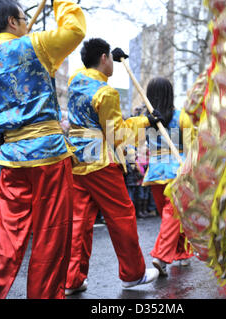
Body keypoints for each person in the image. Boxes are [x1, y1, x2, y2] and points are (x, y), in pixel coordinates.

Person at [0, 0, 86, 299]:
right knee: (51, 235)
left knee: (5, 235)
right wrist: (62, 2)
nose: (26, 23)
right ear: (13, 22)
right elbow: (74, 30)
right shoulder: (35, 44)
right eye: (23, 19)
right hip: (49, 155)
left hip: (12, 158)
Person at [65, 38, 161, 295]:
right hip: (99, 161)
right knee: (122, 217)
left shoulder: (74, 80)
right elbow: (117, 134)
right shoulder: (106, 92)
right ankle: (133, 273)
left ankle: (72, 278)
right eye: (110, 58)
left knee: (79, 221)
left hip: (75, 158)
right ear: (105, 58)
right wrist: (146, 122)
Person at [141, 77, 194, 276]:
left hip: (155, 172)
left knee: (172, 215)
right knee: (172, 216)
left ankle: (182, 253)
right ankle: (162, 256)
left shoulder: (146, 121)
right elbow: (190, 149)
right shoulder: (182, 117)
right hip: (176, 172)